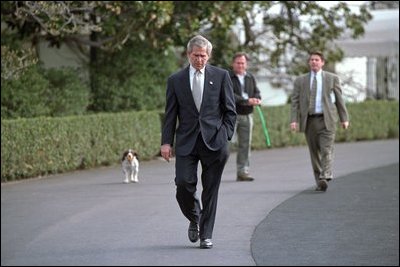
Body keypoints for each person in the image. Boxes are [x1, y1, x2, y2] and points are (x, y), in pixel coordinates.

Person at [160, 35, 236, 249]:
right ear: (188, 55)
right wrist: (166, 142)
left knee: (211, 190)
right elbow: (170, 114)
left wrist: (225, 136)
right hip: (186, 142)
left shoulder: (221, 76)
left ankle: (206, 235)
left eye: (203, 56)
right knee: (183, 185)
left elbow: (230, 111)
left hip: (215, 143)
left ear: (209, 55)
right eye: (196, 56)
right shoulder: (176, 80)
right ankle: (195, 217)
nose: (200, 60)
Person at [290, 51, 349, 192]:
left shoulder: (332, 78)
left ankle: (325, 174)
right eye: (312, 60)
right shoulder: (300, 81)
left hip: (326, 119)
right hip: (309, 120)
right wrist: (294, 120)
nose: (314, 62)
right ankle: (320, 181)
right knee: (314, 152)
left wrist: (344, 118)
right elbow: (294, 102)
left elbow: (340, 100)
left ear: (322, 62)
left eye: (317, 60)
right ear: (309, 62)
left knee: (327, 149)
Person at [230, 52, 261, 182]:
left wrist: (257, 99)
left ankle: (243, 171)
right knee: (225, 145)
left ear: (246, 64)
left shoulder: (250, 77)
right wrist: (246, 100)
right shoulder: (227, 77)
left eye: (243, 63)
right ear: (233, 64)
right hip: (231, 115)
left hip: (247, 115)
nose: (240, 65)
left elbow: (256, 92)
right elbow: (229, 94)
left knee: (245, 144)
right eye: (238, 63)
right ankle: (215, 171)